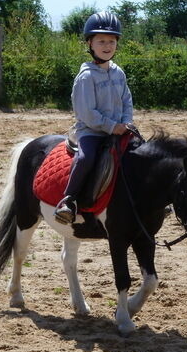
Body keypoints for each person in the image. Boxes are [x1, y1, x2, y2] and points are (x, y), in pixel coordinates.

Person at [54, 11, 134, 225]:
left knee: (142, 152)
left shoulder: (119, 73)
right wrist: (111, 126)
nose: (107, 46)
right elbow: (87, 113)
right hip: (92, 131)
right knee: (86, 158)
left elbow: (127, 100)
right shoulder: (86, 77)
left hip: (120, 127)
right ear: (90, 43)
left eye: (111, 41)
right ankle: (68, 200)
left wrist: (126, 122)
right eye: (101, 41)